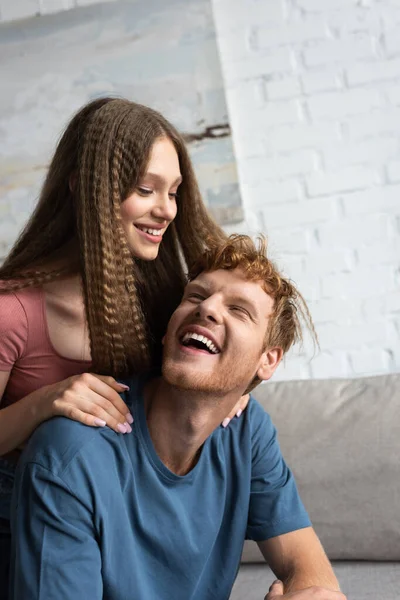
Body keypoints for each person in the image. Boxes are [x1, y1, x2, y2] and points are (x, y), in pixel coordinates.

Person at [0, 97, 248, 597]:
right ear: (82, 188)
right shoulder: (11, 310)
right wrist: (45, 403)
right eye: (145, 189)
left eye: (174, 192)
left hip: (130, 528)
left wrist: (233, 387)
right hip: (27, 537)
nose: (166, 210)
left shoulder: (166, 298)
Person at [11, 235, 346, 600]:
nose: (208, 309)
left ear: (268, 360)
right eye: (196, 297)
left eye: (238, 310)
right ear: (169, 331)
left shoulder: (247, 432)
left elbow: (306, 566)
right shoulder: (70, 455)